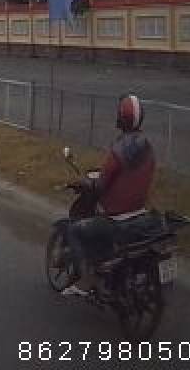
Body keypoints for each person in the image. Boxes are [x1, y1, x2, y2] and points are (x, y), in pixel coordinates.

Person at [62, 93, 164, 296]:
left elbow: (100, 186)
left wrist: (85, 183)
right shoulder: (148, 147)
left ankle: (86, 281)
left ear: (120, 118)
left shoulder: (118, 150)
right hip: (140, 213)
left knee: (74, 231)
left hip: (116, 219)